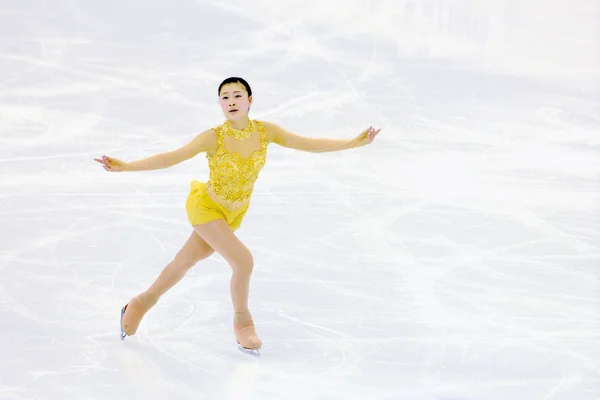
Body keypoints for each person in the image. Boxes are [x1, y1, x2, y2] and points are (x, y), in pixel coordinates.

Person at [94, 77, 381, 354]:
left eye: (237, 96)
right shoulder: (213, 137)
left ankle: (140, 304)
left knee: (183, 263)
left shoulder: (265, 132)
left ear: (249, 100)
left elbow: (306, 143)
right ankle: (243, 322)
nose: (231, 101)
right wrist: (128, 167)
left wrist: (352, 143)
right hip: (206, 208)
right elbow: (172, 157)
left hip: (233, 214)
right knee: (243, 262)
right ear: (220, 104)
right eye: (225, 97)